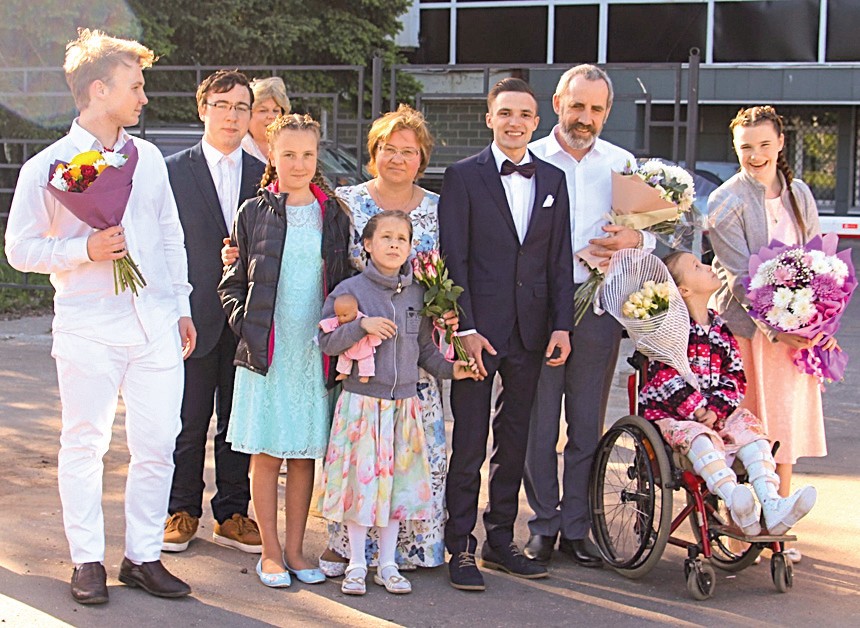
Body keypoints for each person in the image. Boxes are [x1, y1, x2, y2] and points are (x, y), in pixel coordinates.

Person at [4, 28, 194, 604]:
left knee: (159, 443)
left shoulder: (149, 158)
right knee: (85, 444)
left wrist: (181, 306)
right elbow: (19, 249)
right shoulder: (50, 165)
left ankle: (143, 556)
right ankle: (86, 559)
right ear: (98, 89)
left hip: (155, 324)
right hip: (88, 325)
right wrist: (82, 250)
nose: (144, 97)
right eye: (134, 86)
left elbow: (169, 234)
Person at [438, 78, 575, 591]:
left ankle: (500, 539)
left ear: (537, 122)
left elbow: (558, 258)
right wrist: (466, 328)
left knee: (514, 440)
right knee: (470, 439)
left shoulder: (554, 179)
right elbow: (454, 258)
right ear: (489, 119)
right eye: (505, 113)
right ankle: (459, 544)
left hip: (532, 330)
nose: (514, 122)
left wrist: (561, 324)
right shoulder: (463, 176)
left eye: (524, 115)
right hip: (478, 331)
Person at [523, 64, 655, 567]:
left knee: (585, 425)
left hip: (599, 309)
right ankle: (543, 524)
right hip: (539, 310)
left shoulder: (623, 164)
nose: (585, 117)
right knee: (539, 424)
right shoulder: (530, 158)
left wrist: (635, 237)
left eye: (596, 109)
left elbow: (655, 232)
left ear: (607, 112)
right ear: (558, 103)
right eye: (577, 105)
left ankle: (577, 527)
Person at [219, 113, 352, 587]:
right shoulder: (253, 211)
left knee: (302, 454)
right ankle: (270, 553)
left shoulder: (333, 214)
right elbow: (232, 282)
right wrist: (249, 326)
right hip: (268, 352)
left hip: (314, 352)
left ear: (317, 158)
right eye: (289, 154)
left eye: (308, 155)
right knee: (267, 451)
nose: (299, 163)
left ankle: (296, 550)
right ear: (272, 156)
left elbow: (344, 279)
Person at [319, 104, 453, 575]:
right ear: (373, 153)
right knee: (361, 457)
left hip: (415, 345)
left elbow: (452, 269)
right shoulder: (346, 201)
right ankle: (352, 549)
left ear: (422, 158)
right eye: (388, 149)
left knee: (414, 456)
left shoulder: (439, 208)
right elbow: (327, 262)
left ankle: (410, 550)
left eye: (408, 151)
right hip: (363, 354)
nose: (398, 158)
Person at [318, 210, 481, 595]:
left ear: (410, 247)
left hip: (404, 407)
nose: (393, 245)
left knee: (396, 489)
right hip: (362, 405)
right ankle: (357, 564)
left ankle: (388, 564)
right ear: (368, 245)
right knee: (361, 487)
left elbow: (425, 349)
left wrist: (452, 370)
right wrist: (360, 326)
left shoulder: (418, 294)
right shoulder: (349, 291)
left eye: (401, 239)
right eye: (385, 237)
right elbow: (326, 342)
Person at [708, 105, 832, 562]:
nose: (755, 154)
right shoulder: (724, 201)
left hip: (796, 335)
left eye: (764, 144)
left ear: (781, 143)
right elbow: (738, 277)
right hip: (746, 330)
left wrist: (819, 320)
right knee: (747, 427)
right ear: (735, 147)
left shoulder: (800, 193)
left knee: (784, 430)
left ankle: (777, 527)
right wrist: (780, 329)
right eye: (746, 147)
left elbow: (820, 261)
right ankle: (742, 530)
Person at [639, 252, 816, 536]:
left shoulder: (720, 327)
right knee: (700, 437)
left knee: (752, 432)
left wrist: (716, 409)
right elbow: (665, 376)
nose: (707, 266)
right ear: (683, 290)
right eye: (696, 267)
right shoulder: (670, 330)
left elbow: (734, 375)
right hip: (676, 418)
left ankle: (772, 503)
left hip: (715, 415)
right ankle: (735, 500)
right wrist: (698, 410)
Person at [163, 70, 265, 554]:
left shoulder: (264, 173)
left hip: (246, 318)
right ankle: (181, 509)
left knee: (237, 423)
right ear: (202, 109)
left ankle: (233, 512)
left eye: (241, 107)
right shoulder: (171, 171)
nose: (231, 115)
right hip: (191, 314)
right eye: (222, 105)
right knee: (187, 421)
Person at [319, 294, 381, 383]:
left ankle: (365, 374)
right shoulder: (339, 320)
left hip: (362, 348)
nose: (341, 319)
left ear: (355, 312)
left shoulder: (364, 320)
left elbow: (371, 332)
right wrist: (323, 325)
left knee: (366, 361)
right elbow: (331, 322)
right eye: (338, 315)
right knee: (343, 358)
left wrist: (374, 341)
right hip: (348, 347)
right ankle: (343, 372)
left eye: (344, 315)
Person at [242, 76, 291, 164]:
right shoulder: (237, 148)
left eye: (275, 110)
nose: (271, 116)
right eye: (263, 110)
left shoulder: (291, 145)